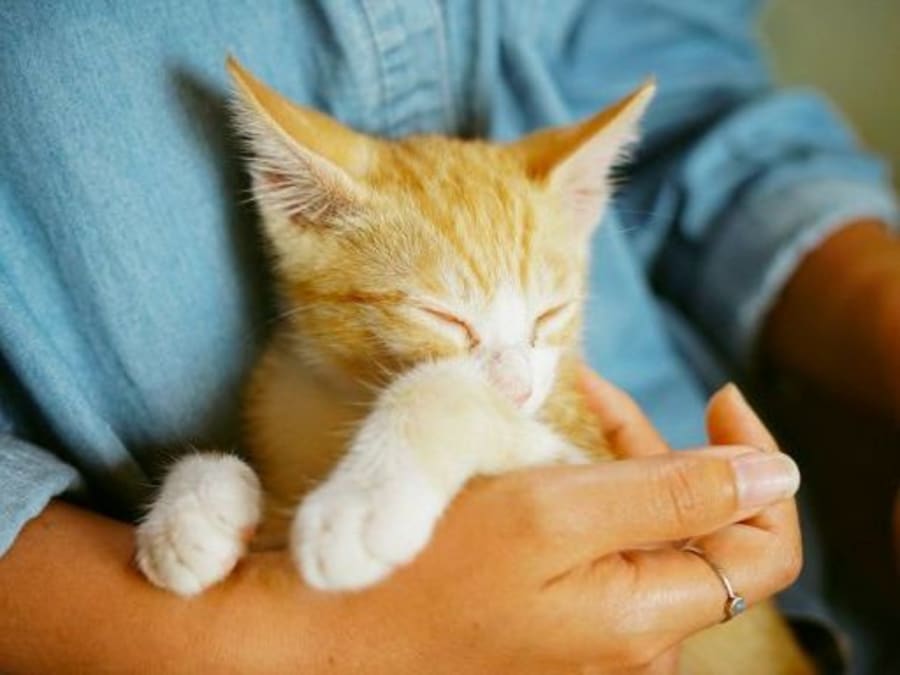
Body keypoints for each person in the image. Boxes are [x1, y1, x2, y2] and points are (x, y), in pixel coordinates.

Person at [0, 1, 896, 672]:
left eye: (547, 324)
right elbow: (298, 558)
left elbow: (691, 94)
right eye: (448, 322)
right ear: (299, 209)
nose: (518, 379)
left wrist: (442, 399)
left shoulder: (527, 344)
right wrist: (220, 519)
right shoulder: (284, 379)